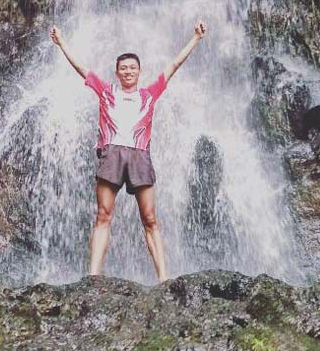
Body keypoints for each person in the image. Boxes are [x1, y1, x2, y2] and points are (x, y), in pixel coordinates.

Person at [50, 21, 207, 282]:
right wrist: (61, 42)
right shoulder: (106, 91)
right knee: (103, 214)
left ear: (139, 71)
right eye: (123, 68)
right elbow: (80, 68)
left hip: (139, 155)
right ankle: (93, 276)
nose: (128, 72)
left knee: (150, 218)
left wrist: (196, 38)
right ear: (116, 72)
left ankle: (164, 280)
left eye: (132, 68)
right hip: (111, 154)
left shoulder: (149, 94)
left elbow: (173, 66)